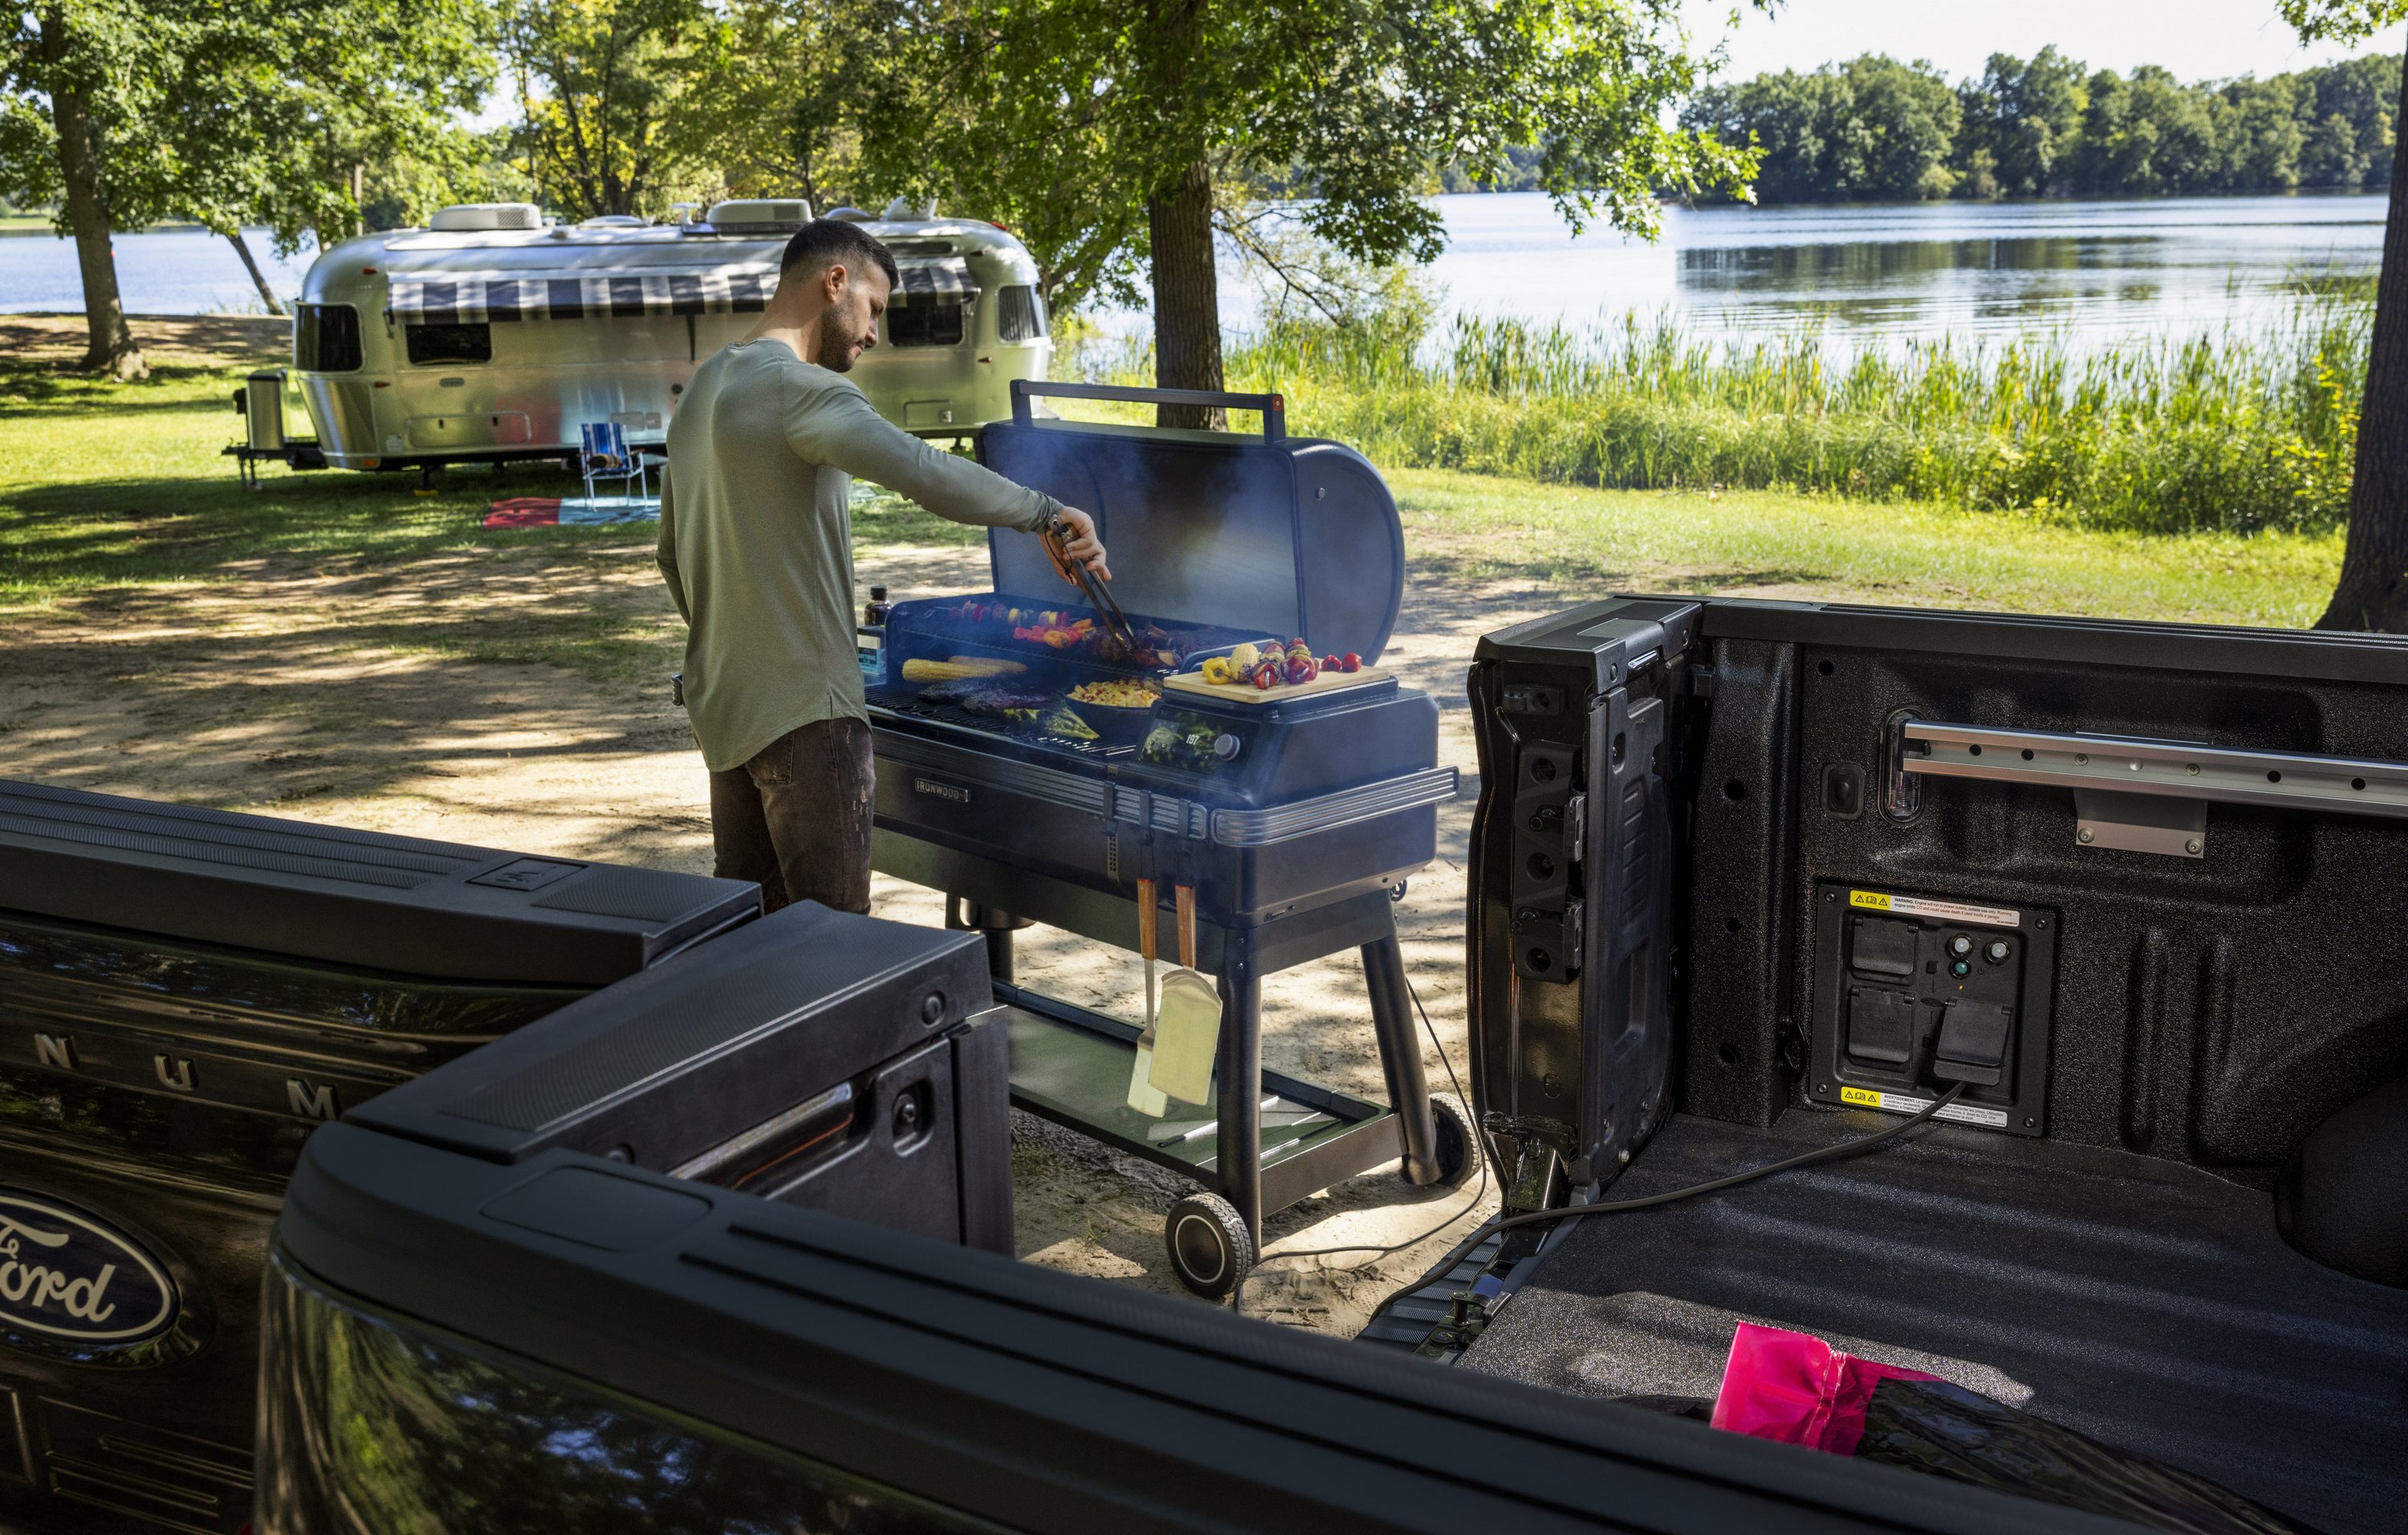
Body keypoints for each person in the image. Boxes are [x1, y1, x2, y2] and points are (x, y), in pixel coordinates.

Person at [658, 218, 1107, 914]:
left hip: (727, 711)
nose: (873, 334)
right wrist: (1045, 510)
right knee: (837, 945)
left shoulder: (702, 391)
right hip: (809, 717)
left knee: (749, 944)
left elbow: (671, 557)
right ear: (834, 281)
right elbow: (922, 469)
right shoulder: (799, 388)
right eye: (873, 309)